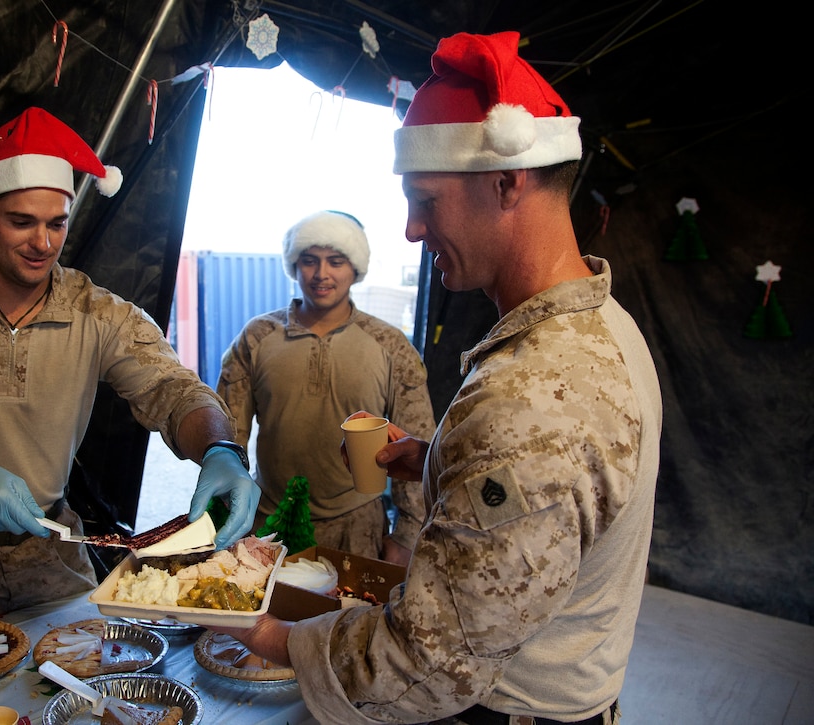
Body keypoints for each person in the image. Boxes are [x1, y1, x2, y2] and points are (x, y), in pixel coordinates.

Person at [214, 31, 662, 725]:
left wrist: (270, 634)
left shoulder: (531, 392)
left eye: (425, 200)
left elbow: (429, 660)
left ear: (507, 182)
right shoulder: (606, 326)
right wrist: (438, 459)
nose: (414, 229)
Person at [0, 107, 259, 630]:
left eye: (56, 223)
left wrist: (221, 449)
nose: (42, 243)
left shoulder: (98, 313)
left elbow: (174, 390)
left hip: (51, 550)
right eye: (21, 222)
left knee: (96, 687)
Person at [216, 210, 435, 563]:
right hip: (269, 523)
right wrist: (228, 519)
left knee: (353, 618)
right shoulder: (257, 338)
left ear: (356, 268)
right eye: (309, 261)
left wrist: (407, 536)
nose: (321, 274)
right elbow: (228, 438)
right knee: (265, 619)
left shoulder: (390, 345)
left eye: (335, 261)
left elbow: (417, 445)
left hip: (359, 527)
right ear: (294, 266)